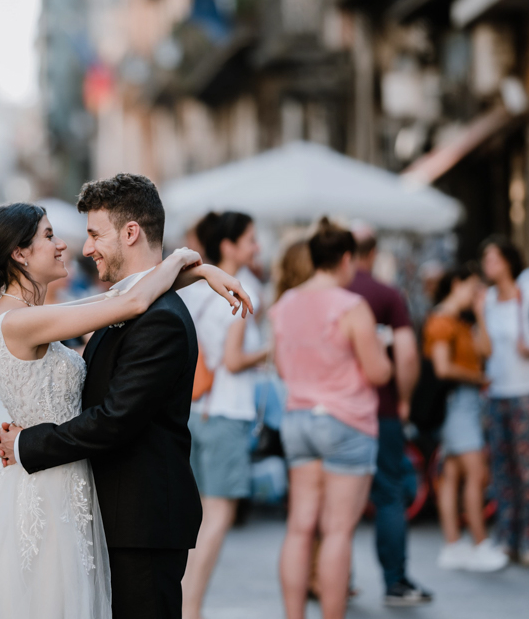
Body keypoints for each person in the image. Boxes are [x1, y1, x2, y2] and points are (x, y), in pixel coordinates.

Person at [0, 187, 248, 619]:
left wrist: (193, 273)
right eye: (49, 235)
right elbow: (130, 301)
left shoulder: (35, 314)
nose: (67, 244)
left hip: (77, 487)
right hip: (50, 489)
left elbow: (121, 300)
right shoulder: (22, 320)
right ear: (19, 254)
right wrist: (187, 260)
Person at [269, 218, 391, 619]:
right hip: (345, 420)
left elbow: (284, 371)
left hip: (298, 419)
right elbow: (377, 373)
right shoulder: (351, 306)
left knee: (300, 526)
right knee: (337, 530)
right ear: (345, 258)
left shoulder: (283, 305)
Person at [179, 212, 270, 619]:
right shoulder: (245, 288)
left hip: (195, 410)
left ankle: (183, 601)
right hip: (227, 411)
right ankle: (191, 607)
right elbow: (233, 361)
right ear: (229, 246)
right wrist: (270, 350)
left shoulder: (195, 288)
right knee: (218, 516)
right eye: (250, 239)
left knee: (199, 516)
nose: (256, 247)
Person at [346, 227, 431, 606]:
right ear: (373, 252)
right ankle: (396, 582)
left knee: (333, 501)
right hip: (381, 409)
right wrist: (405, 400)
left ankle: (334, 580)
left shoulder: (323, 295)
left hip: (332, 412)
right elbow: (409, 356)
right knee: (390, 495)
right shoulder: (386, 294)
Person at [424, 264, 507, 572]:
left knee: (453, 476)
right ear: (457, 284)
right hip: (459, 403)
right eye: (473, 287)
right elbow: (443, 368)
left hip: (465, 403)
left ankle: (453, 544)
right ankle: (480, 543)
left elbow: (487, 349)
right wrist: (477, 378)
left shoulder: (460, 320)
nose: (477, 293)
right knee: (476, 474)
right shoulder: (442, 321)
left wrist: (481, 314)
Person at [479, 235, 529, 566]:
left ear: (508, 261)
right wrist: (478, 314)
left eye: (493, 258)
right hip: (497, 391)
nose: (487, 265)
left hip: (527, 390)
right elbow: (484, 349)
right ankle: (508, 536)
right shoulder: (488, 300)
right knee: (502, 468)